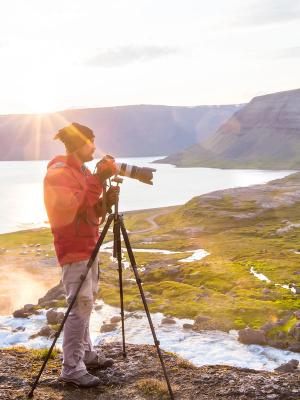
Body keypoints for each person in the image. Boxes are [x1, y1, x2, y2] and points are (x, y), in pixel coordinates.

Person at [44, 122, 118, 388]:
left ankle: (85, 354)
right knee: (79, 306)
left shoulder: (82, 170)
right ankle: (72, 368)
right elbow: (71, 207)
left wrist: (105, 200)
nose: (94, 147)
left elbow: (90, 212)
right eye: (91, 141)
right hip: (74, 250)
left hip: (89, 246)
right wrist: (97, 181)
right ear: (79, 143)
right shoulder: (59, 173)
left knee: (87, 303)